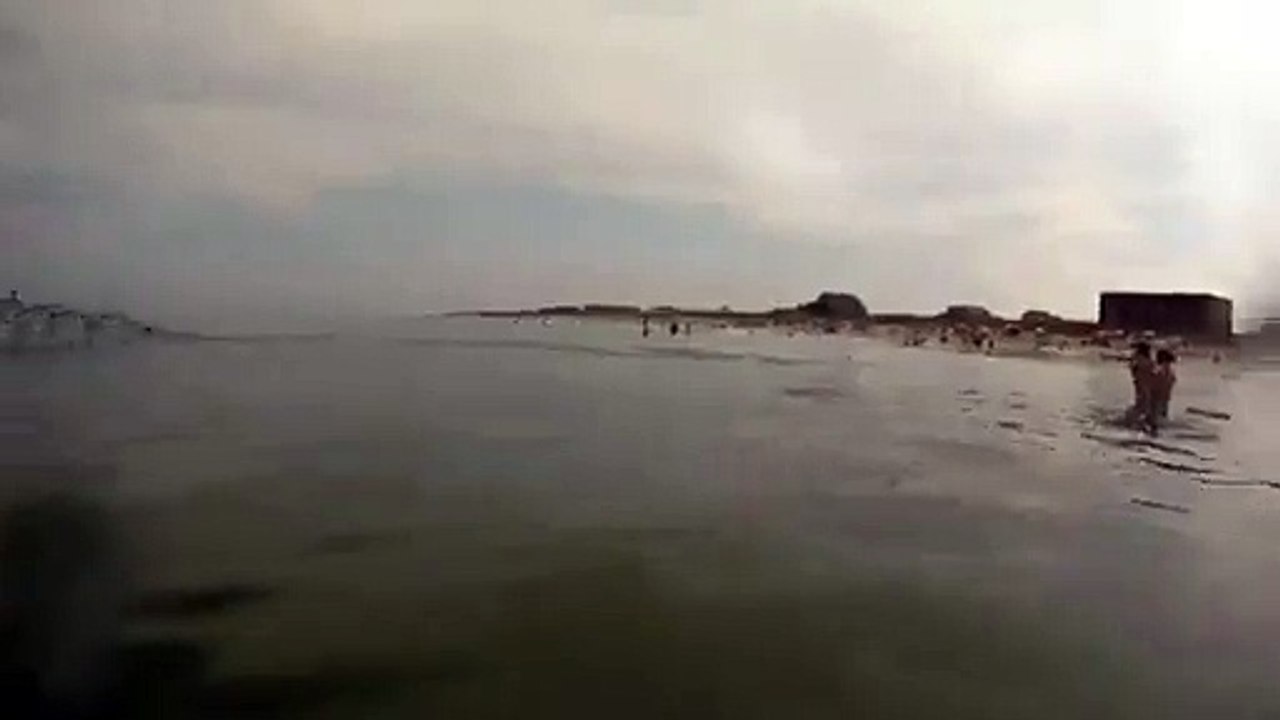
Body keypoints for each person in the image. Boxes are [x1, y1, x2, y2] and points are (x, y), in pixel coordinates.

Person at [1125, 342, 1154, 429]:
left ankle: (1143, 425)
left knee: (1140, 407)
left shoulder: (1142, 362)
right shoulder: (1149, 362)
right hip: (1144, 389)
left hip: (1143, 389)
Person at [1150, 349, 1178, 426]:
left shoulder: (1162, 370)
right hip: (1161, 398)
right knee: (1160, 418)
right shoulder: (1166, 370)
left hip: (1160, 398)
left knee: (1158, 418)